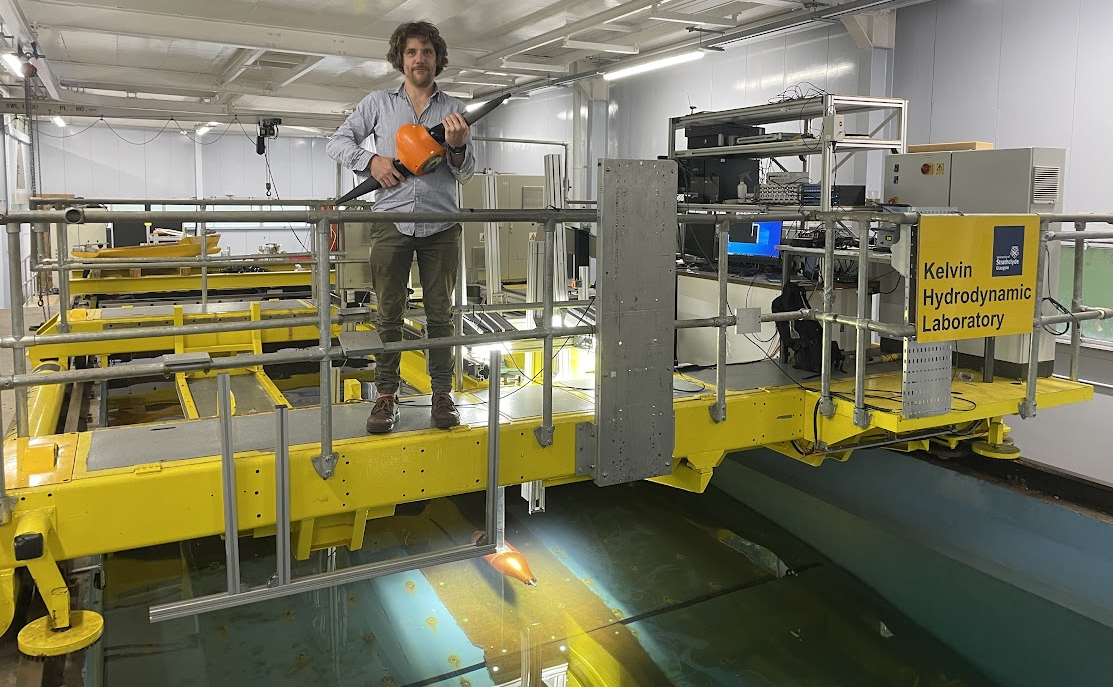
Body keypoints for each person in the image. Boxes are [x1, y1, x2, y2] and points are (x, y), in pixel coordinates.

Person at [327, 20, 475, 433]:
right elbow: (336, 142)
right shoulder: (377, 103)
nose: (419, 59)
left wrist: (458, 149)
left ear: (437, 58)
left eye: (427, 51)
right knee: (388, 313)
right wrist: (371, 161)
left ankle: (442, 393)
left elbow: (466, 174)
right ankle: (386, 395)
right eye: (412, 52)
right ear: (401, 58)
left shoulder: (455, 110)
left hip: (441, 224)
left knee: (441, 313)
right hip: (391, 221)